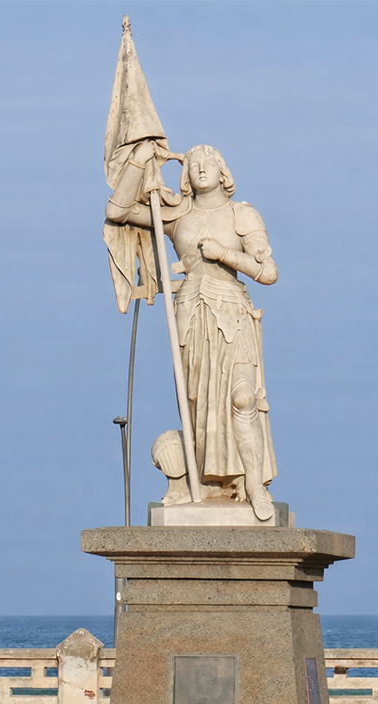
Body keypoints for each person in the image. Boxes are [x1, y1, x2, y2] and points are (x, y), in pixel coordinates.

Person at [106, 140, 278, 520]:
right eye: (194, 162)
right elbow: (118, 210)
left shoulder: (241, 214)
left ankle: (254, 486)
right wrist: (139, 159)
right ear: (184, 175)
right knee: (202, 409)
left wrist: (225, 254)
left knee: (243, 398)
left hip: (233, 314)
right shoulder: (176, 216)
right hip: (192, 319)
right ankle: (209, 483)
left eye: (209, 161)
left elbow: (268, 273)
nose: (201, 167)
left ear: (223, 171)